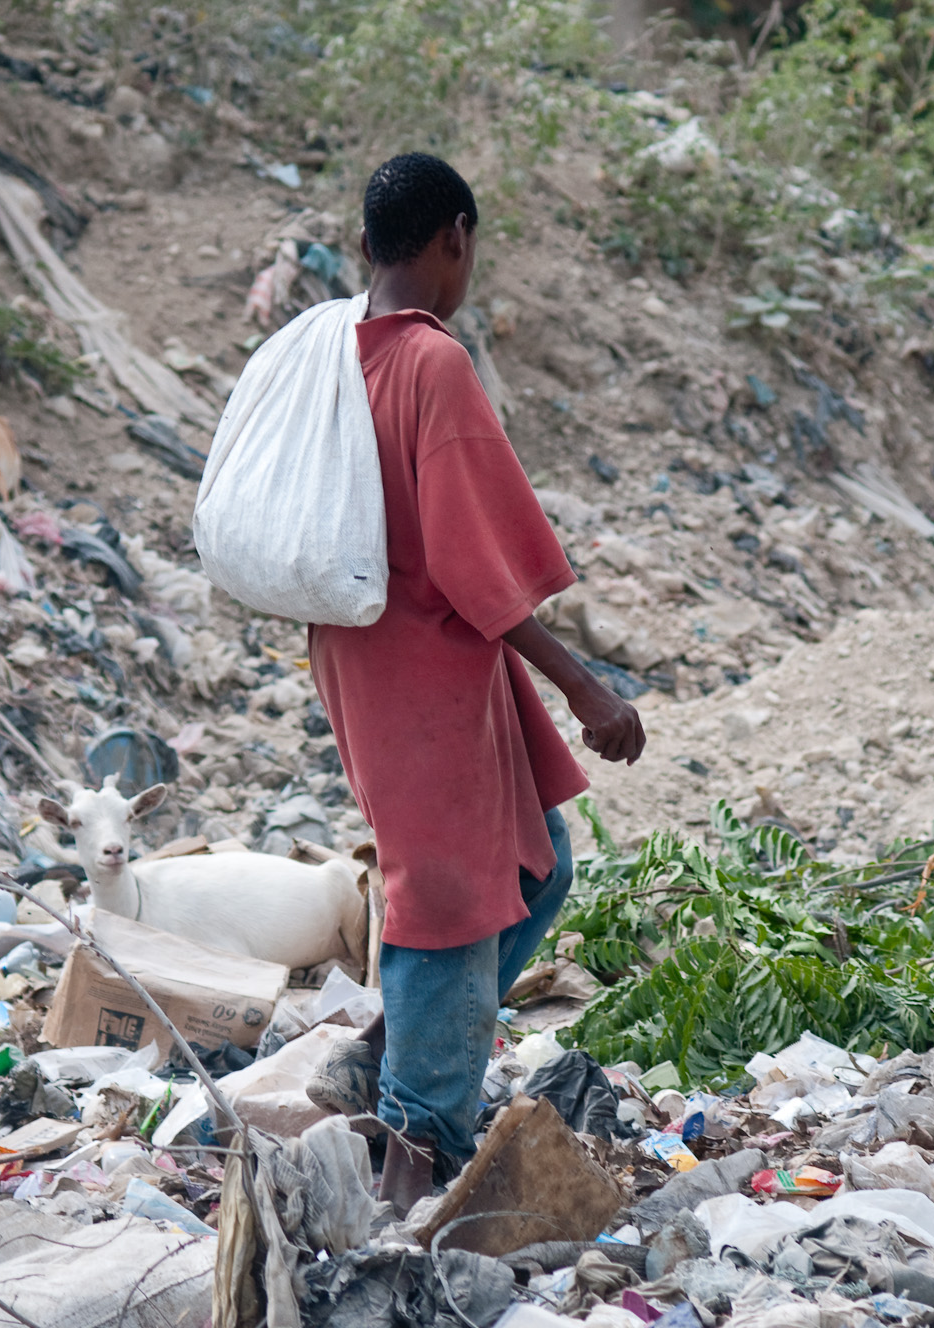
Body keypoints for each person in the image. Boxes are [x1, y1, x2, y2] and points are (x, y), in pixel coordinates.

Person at [301, 153, 647, 1214]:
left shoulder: (327, 357)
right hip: (422, 658)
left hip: (365, 648)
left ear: (368, 244)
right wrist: (586, 688)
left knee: (535, 862)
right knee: (447, 895)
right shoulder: (428, 364)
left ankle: (379, 1051)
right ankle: (415, 1147)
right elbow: (472, 560)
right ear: (453, 237)